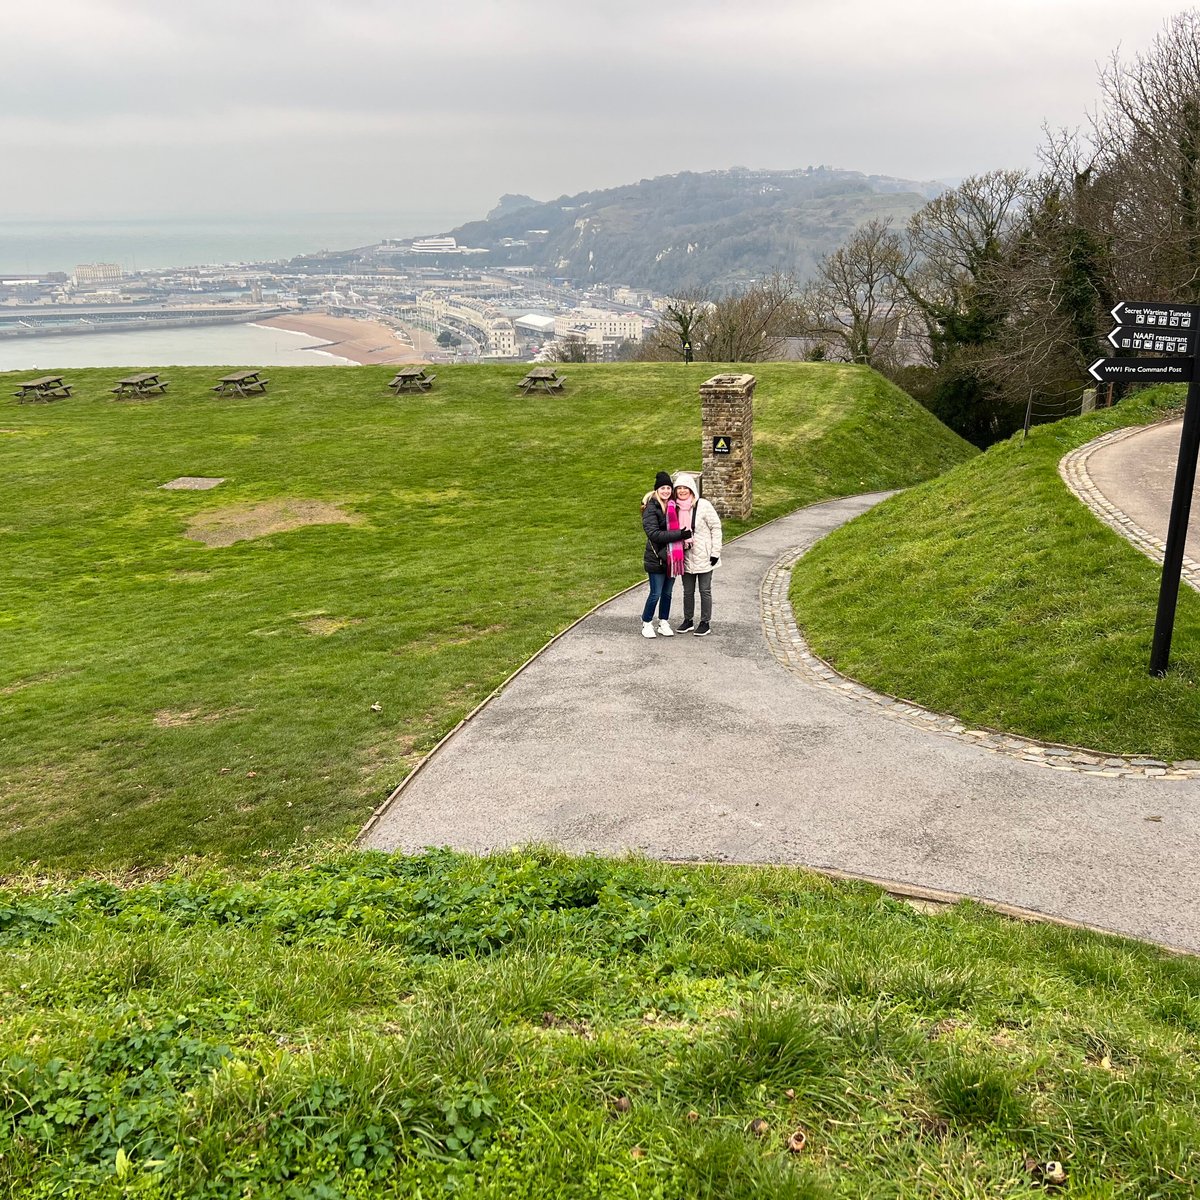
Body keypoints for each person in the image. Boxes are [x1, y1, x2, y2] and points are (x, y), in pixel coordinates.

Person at [640, 470, 690, 638]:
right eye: (663, 488)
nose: (666, 491)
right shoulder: (651, 508)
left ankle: (663, 621)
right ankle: (647, 623)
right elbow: (654, 534)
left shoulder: (673, 506)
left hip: (672, 557)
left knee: (667, 593)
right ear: (656, 490)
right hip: (656, 558)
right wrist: (679, 535)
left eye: (668, 488)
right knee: (656, 593)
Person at [671, 471, 722, 636]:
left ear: (692, 489)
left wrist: (715, 552)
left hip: (705, 555)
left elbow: (716, 527)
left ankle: (705, 622)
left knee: (705, 590)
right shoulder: (675, 508)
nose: (682, 491)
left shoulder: (703, 505)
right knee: (687, 591)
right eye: (679, 488)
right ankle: (688, 620)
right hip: (685, 555)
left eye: (685, 488)